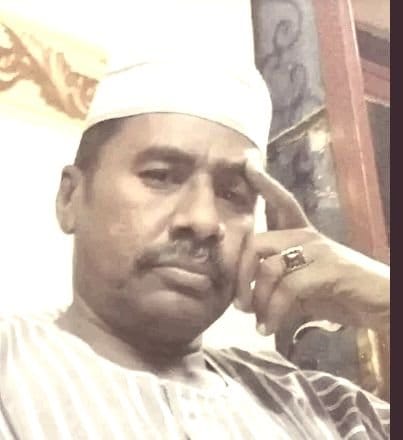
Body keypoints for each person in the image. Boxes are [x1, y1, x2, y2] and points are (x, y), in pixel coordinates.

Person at [0, 3, 389, 439]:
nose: (204, 221)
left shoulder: (329, 408)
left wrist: (383, 296)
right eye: (160, 176)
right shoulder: (11, 368)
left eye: (232, 194)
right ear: (70, 197)